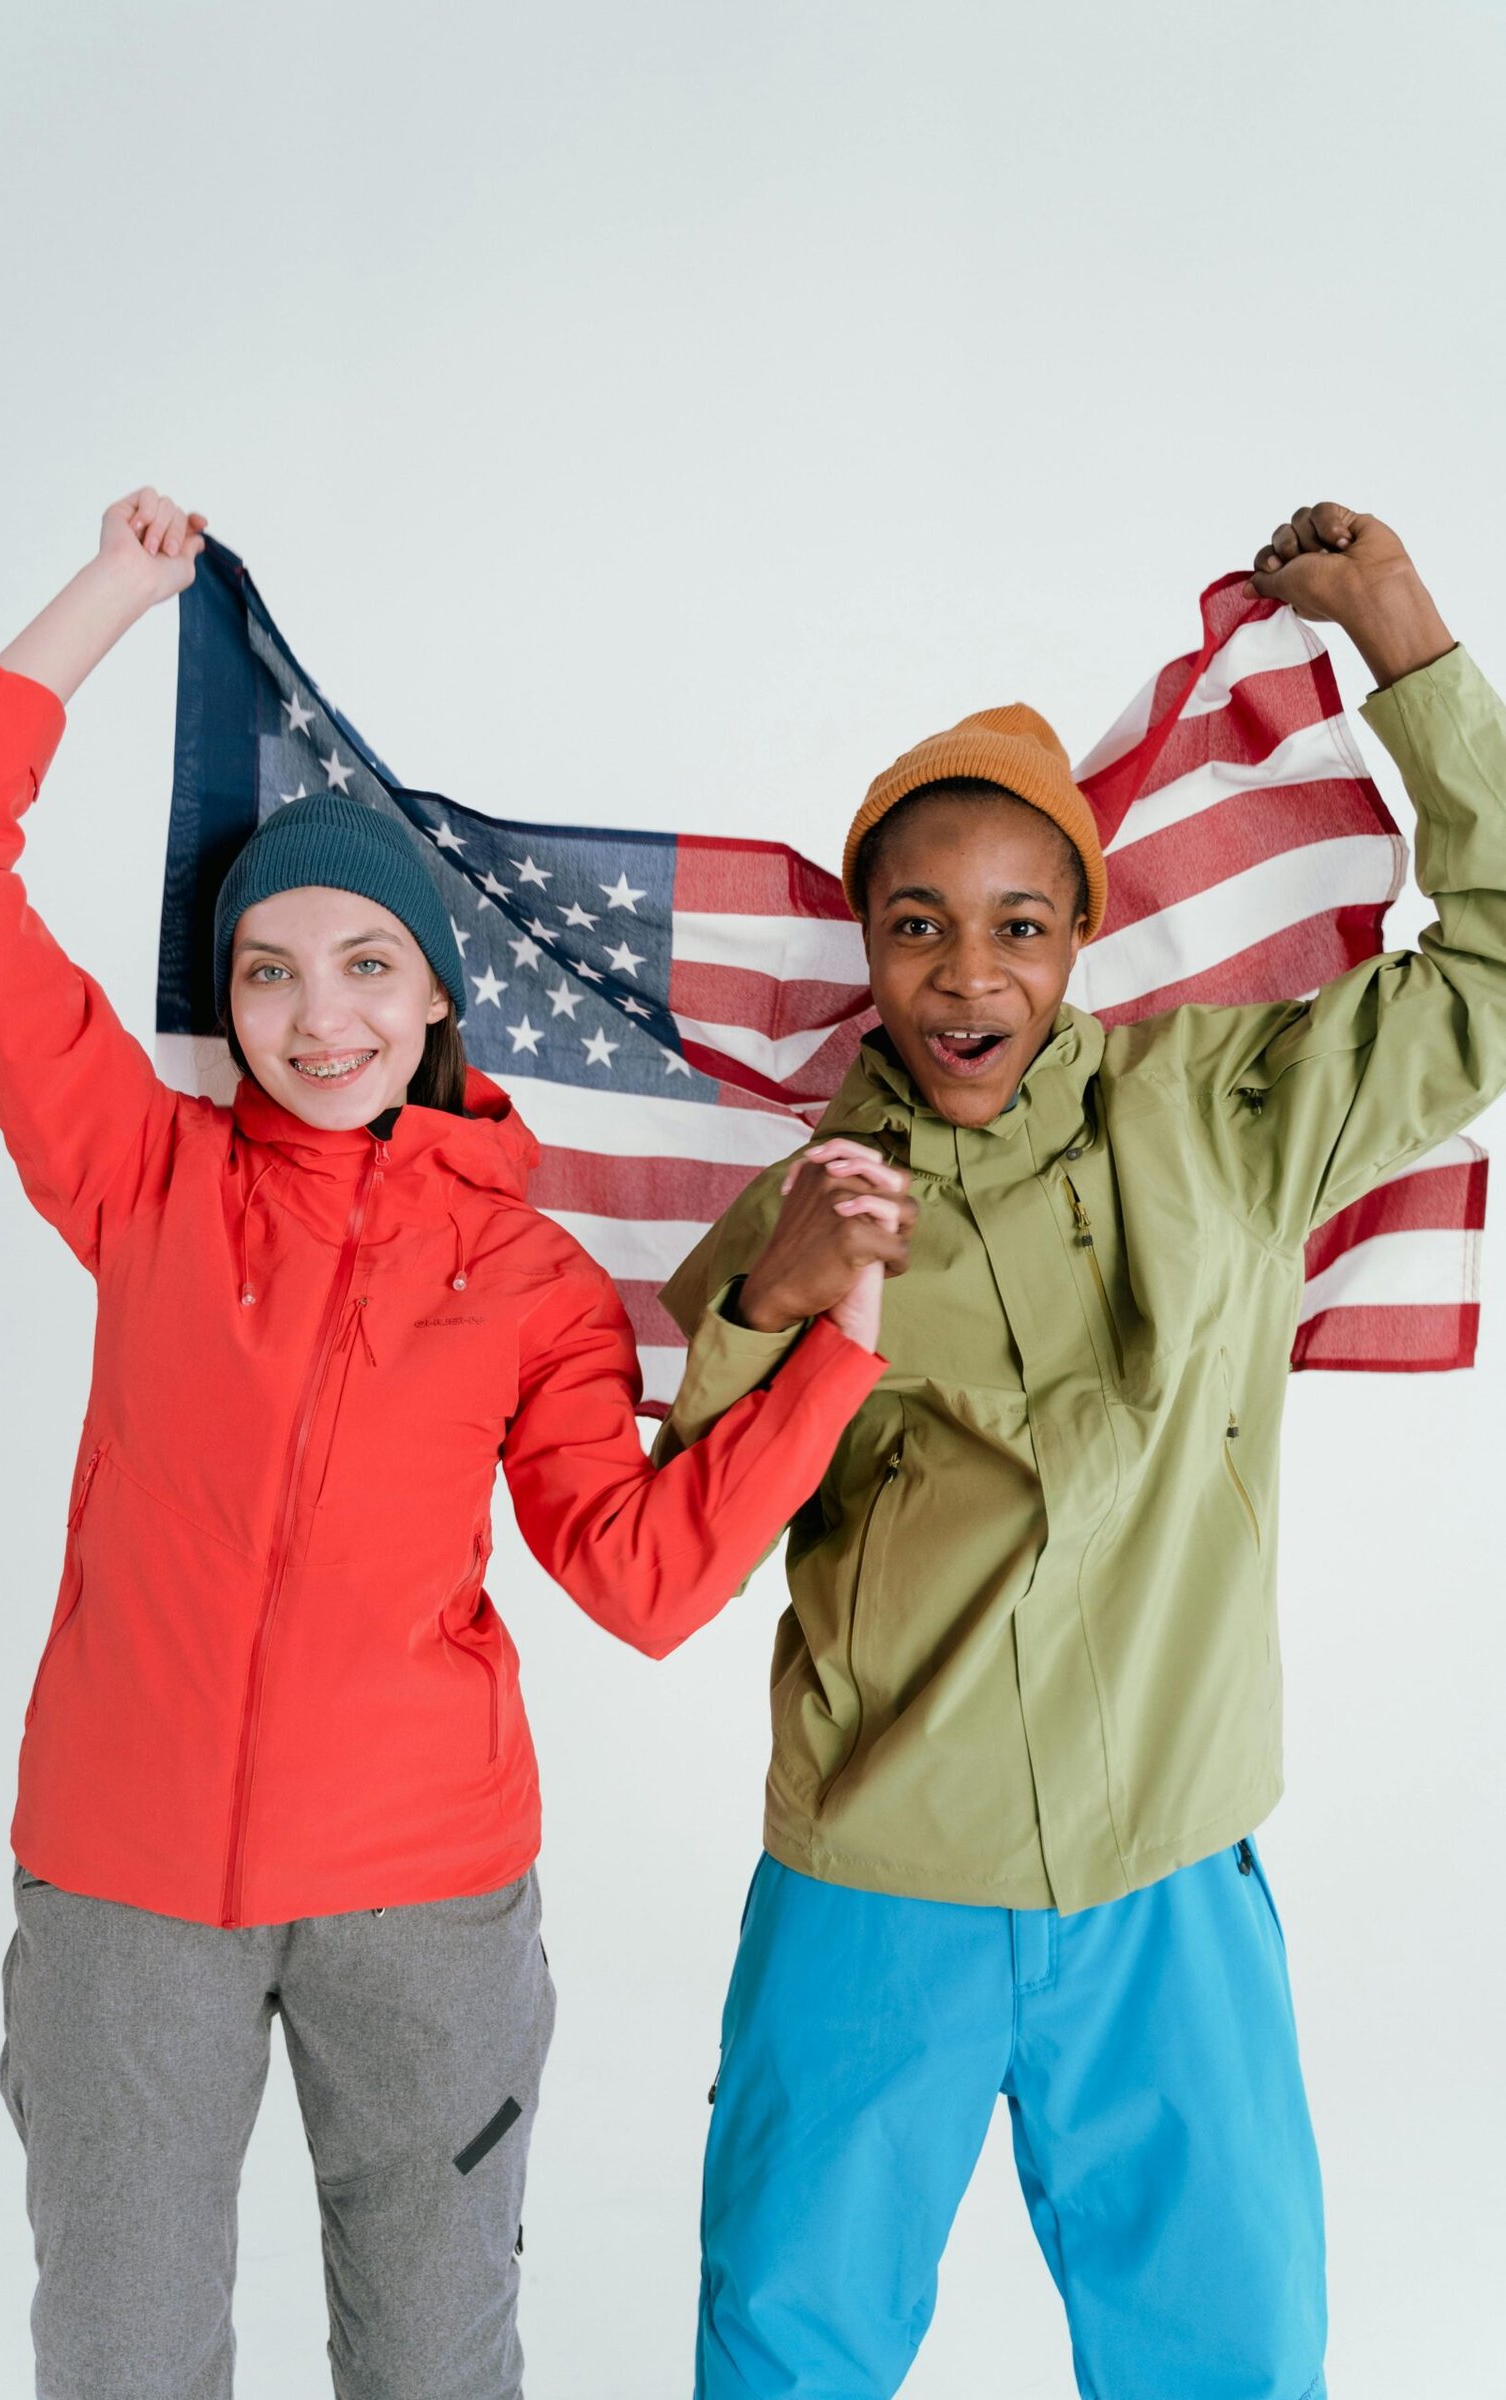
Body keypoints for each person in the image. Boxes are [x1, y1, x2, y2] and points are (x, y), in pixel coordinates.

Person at [0, 489, 916, 2400]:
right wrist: (114, 599)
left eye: (368, 964)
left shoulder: (529, 1276)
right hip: (127, 1895)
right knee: (120, 2362)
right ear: (229, 1001)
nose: (318, 1015)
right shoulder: (145, 1176)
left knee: (437, 2367)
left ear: (441, 991)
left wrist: (833, 1357)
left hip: (426, 1902)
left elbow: (637, 1574)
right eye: (268, 971)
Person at [656, 502, 1506, 2400]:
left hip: (1169, 1877)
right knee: (784, 2349)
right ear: (867, 948)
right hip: (876, 1878)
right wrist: (775, 1303)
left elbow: (1496, 960)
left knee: (1233, 2354)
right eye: (920, 928)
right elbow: (675, 1536)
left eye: (1019, 927)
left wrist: (1407, 641)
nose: (971, 977)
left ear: (1082, 936)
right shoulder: (808, 1205)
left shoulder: (1223, 1109)